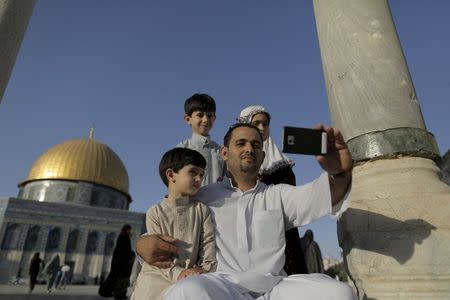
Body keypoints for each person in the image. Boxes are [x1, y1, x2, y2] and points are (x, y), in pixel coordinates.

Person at [136, 123, 355, 299]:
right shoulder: (203, 196)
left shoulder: (278, 195)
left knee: (339, 293)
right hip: (220, 287)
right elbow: (170, 217)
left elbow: (323, 195)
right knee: (186, 291)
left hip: (274, 288)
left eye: (256, 145)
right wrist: (141, 243)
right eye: (240, 143)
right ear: (224, 153)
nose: (249, 149)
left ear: (262, 156)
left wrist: (339, 173)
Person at [131, 147, 217, 300]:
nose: (199, 179)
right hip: (155, 283)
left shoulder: (201, 210)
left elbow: (208, 246)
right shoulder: (155, 212)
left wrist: (204, 270)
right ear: (171, 175)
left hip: (192, 282)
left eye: (202, 174)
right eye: (192, 172)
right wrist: (179, 273)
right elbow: (158, 258)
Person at [238, 105, 307, 275]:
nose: (261, 128)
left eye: (265, 124)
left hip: (282, 234)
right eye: (256, 123)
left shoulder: (280, 163)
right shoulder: (236, 164)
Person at [176, 93, 226, 186]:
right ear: (188, 119)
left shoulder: (220, 150)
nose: (205, 120)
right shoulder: (182, 148)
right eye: (200, 115)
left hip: (217, 199)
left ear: (214, 118)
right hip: (190, 200)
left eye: (209, 115)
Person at [99, 224, 135, 300]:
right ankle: (111, 293)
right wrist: (130, 254)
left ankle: (116, 293)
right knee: (117, 278)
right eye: (129, 230)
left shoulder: (124, 238)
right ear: (126, 230)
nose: (130, 232)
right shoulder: (123, 238)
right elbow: (122, 251)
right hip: (120, 263)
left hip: (120, 262)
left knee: (116, 278)